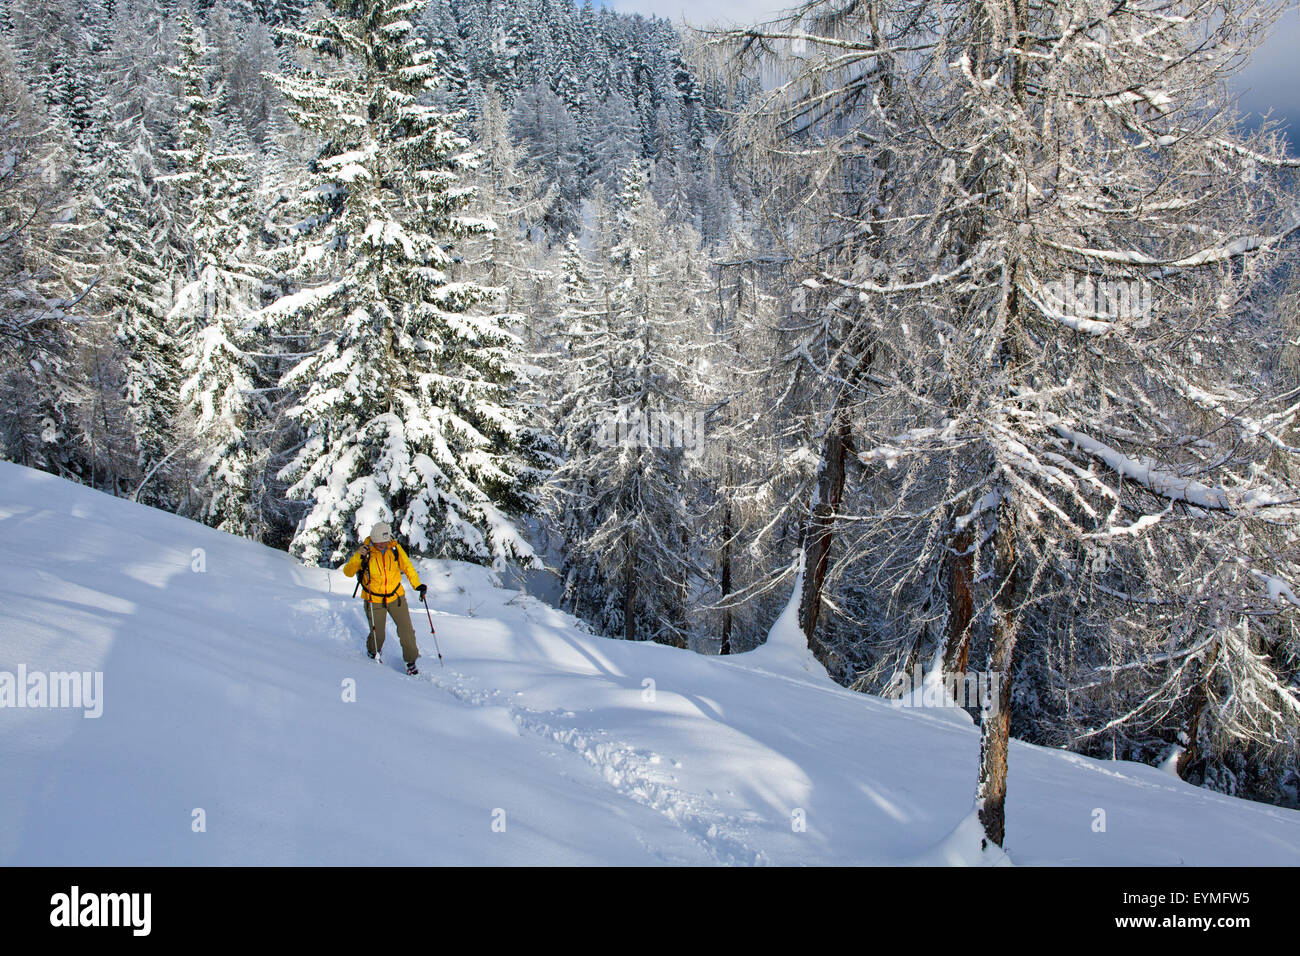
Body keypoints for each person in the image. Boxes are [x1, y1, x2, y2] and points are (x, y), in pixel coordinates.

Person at [343, 522, 429, 675]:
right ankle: (372, 650)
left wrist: (417, 585)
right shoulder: (366, 552)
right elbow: (348, 572)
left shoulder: (394, 549)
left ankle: (411, 661)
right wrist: (358, 556)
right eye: (379, 542)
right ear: (373, 540)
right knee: (378, 634)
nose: (382, 545)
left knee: (406, 631)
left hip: (396, 597)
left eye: (384, 542)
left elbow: (407, 567)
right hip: (373, 599)